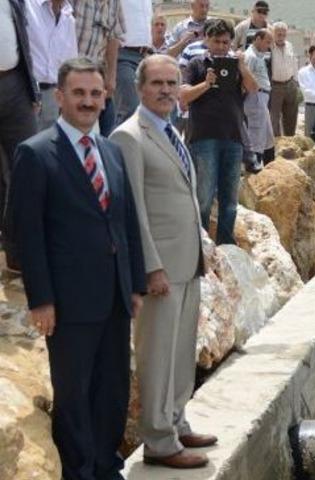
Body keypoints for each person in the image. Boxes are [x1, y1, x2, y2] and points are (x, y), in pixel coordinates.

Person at [8, 56, 146, 480]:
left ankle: (106, 464)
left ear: (106, 99)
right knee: (73, 394)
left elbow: (126, 221)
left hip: (115, 296)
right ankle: (79, 471)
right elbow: (24, 235)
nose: (88, 102)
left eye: (95, 94)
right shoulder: (34, 153)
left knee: (113, 390)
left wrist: (135, 283)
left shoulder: (112, 151)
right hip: (68, 303)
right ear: (60, 96)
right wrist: (42, 299)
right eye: (79, 93)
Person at [110, 54, 213, 470]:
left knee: (181, 350)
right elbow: (133, 209)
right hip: (160, 269)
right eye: (158, 83)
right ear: (139, 88)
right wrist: (150, 266)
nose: (167, 90)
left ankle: (177, 420)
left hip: (188, 260)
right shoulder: (129, 137)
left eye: (173, 83)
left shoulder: (171, 130)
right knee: (156, 354)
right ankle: (158, 440)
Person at [180, 19, 257, 245]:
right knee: (203, 196)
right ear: (207, 40)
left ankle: (226, 243)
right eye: (217, 41)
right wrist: (206, 84)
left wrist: (242, 67)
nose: (222, 46)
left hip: (233, 138)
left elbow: (253, 89)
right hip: (203, 139)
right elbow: (183, 97)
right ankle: (201, 244)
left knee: (230, 198)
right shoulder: (195, 64)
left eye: (226, 42)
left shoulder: (236, 66)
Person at [1, 0, 39, 271]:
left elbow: (25, 42)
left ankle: (19, 251)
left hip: (15, 84)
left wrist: (32, 90)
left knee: (27, 166)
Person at [73, 0, 124, 134]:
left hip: (95, 72)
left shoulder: (114, 3)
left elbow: (114, 37)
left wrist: (111, 76)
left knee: (108, 125)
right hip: (69, 73)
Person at [25, 0, 78, 130]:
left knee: (44, 148)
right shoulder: (26, 6)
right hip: (25, 94)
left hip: (52, 98)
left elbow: (70, 66)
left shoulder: (69, 20)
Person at [114, 0, 153, 126]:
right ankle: (120, 144)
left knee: (148, 111)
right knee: (130, 109)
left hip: (144, 56)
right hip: (122, 54)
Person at [243, 30, 274, 170]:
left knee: (266, 135)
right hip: (255, 96)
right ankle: (253, 165)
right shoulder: (250, 56)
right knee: (256, 133)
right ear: (258, 39)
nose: (269, 45)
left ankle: (267, 166)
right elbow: (245, 79)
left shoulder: (258, 56)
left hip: (262, 97)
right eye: (267, 42)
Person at [269, 22, 299, 137]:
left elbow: (294, 63)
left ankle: (290, 141)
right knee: (274, 118)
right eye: (278, 34)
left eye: (283, 34)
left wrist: (296, 82)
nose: (281, 37)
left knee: (291, 116)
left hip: (290, 84)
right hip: (275, 86)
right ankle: (276, 145)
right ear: (273, 34)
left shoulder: (289, 45)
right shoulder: (269, 47)